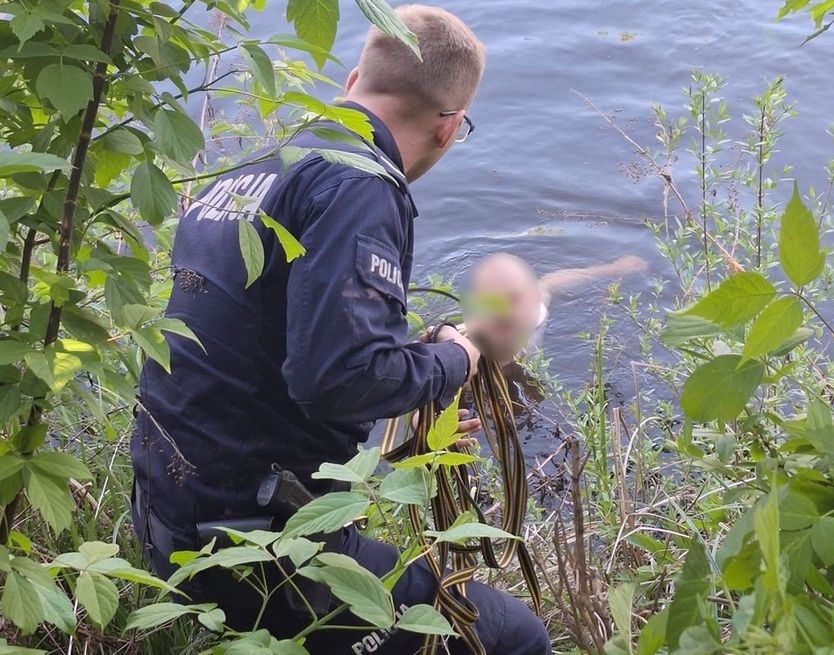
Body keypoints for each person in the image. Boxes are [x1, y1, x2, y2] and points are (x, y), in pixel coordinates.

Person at [130, 5, 551, 655]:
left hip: (168, 520)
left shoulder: (254, 173)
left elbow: (257, 371)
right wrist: (459, 356)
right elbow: (338, 378)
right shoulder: (360, 184)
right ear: (446, 128)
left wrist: (399, 411)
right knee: (512, 638)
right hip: (256, 551)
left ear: (354, 79)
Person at [464, 252, 649, 366]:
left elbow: (549, 283)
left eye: (513, 300)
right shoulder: (465, 340)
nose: (505, 312)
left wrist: (611, 269)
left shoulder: (535, 314)